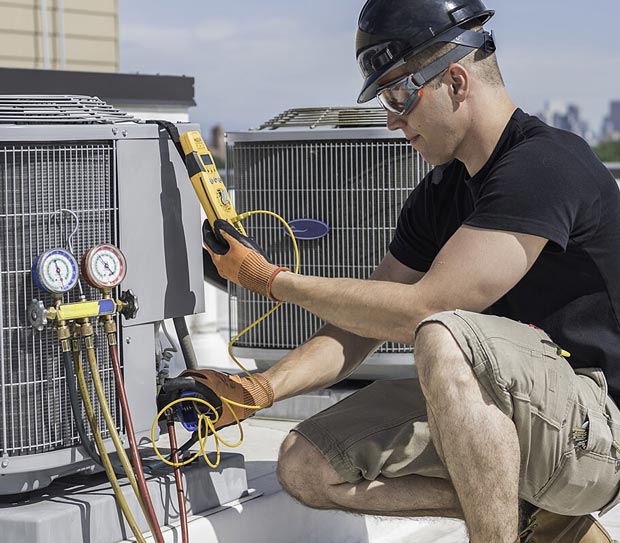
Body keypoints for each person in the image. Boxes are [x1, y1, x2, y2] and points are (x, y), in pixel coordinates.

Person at [191, 0, 620, 541]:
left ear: (457, 82)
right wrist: (261, 388)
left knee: (442, 335)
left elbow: (425, 308)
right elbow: (367, 317)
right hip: (516, 416)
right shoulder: (441, 192)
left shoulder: (545, 165)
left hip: (597, 431)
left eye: (398, 95)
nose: (394, 121)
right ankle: (536, 518)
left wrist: (271, 279)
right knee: (306, 464)